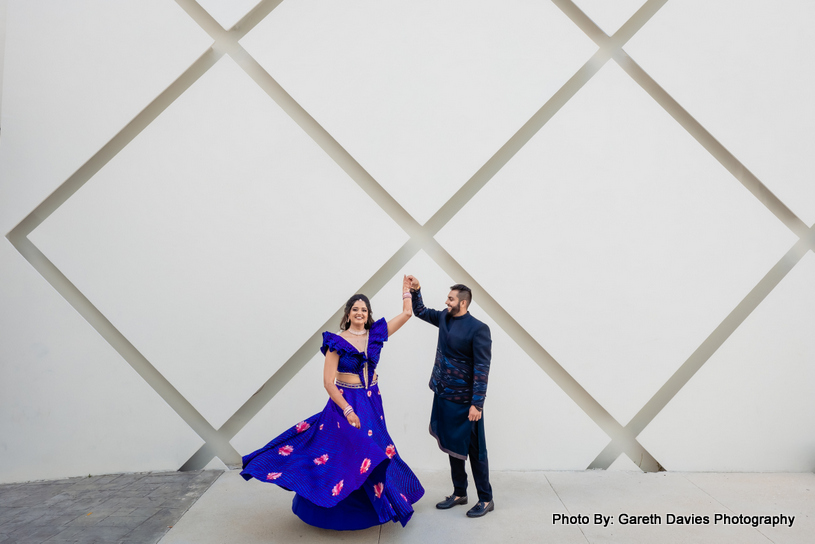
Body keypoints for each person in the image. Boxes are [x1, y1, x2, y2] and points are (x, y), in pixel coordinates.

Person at [241, 277, 424, 530]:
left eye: (364, 309)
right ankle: (336, 511)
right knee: (348, 453)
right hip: (345, 401)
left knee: (377, 449)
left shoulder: (376, 334)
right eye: (355, 309)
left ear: (368, 314)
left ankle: (383, 503)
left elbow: (406, 314)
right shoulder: (336, 342)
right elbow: (328, 382)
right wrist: (347, 409)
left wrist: (407, 291)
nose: (360, 313)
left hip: (371, 401)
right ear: (348, 314)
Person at [407, 276, 494, 518]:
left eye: (451, 298)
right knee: (452, 447)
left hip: (467, 403)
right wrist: (417, 291)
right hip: (444, 395)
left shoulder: (479, 329)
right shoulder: (444, 318)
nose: (447, 301)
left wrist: (478, 403)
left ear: (463, 303)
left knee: (475, 451)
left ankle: (486, 498)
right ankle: (459, 493)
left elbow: (482, 368)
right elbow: (421, 311)